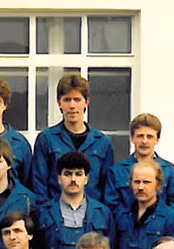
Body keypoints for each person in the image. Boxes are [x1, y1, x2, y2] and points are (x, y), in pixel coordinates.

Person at [30, 73, 115, 208]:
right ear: (59, 103)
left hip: (92, 218)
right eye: (67, 100)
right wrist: (45, 216)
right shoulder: (46, 139)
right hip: (55, 218)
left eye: (77, 99)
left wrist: (101, 216)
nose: (72, 106)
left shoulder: (102, 142)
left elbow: (108, 187)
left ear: (86, 102)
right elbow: (39, 184)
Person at [35, 151, 113, 249]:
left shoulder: (103, 213)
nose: (73, 179)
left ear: (86, 178)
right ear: (59, 178)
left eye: (78, 174)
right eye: (67, 174)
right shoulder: (42, 213)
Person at [106, 112, 174, 211]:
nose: (144, 141)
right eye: (140, 136)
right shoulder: (117, 172)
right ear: (132, 138)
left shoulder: (171, 172)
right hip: (126, 226)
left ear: (157, 140)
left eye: (149, 136)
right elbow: (112, 207)